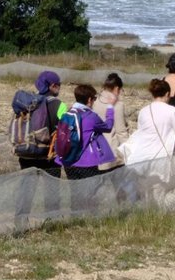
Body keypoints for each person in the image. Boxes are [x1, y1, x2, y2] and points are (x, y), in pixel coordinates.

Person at [13, 70, 66, 231]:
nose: (59, 88)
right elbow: (65, 129)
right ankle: (52, 223)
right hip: (49, 155)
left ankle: (20, 223)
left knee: (26, 189)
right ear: (52, 86)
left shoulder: (28, 102)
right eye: (58, 85)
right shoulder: (59, 105)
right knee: (52, 190)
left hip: (27, 152)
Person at [54, 84, 115, 215]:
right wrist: (110, 109)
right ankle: (90, 218)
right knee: (90, 193)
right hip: (86, 162)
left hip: (68, 160)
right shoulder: (91, 117)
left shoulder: (67, 114)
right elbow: (108, 127)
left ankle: (75, 217)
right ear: (89, 100)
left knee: (74, 192)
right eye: (94, 99)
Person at [122, 79, 175, 165]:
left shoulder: (143, 111)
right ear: (167, 94)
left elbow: (141, 134)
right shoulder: (173, 111)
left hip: (141, 158)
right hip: (161, 159)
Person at [93, 73, 129, 171]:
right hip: (111, 150)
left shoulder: (95, 101)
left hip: (96, 149)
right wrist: (128, 151)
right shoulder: (117, 105)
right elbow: (121, 131)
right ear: (117, 88)